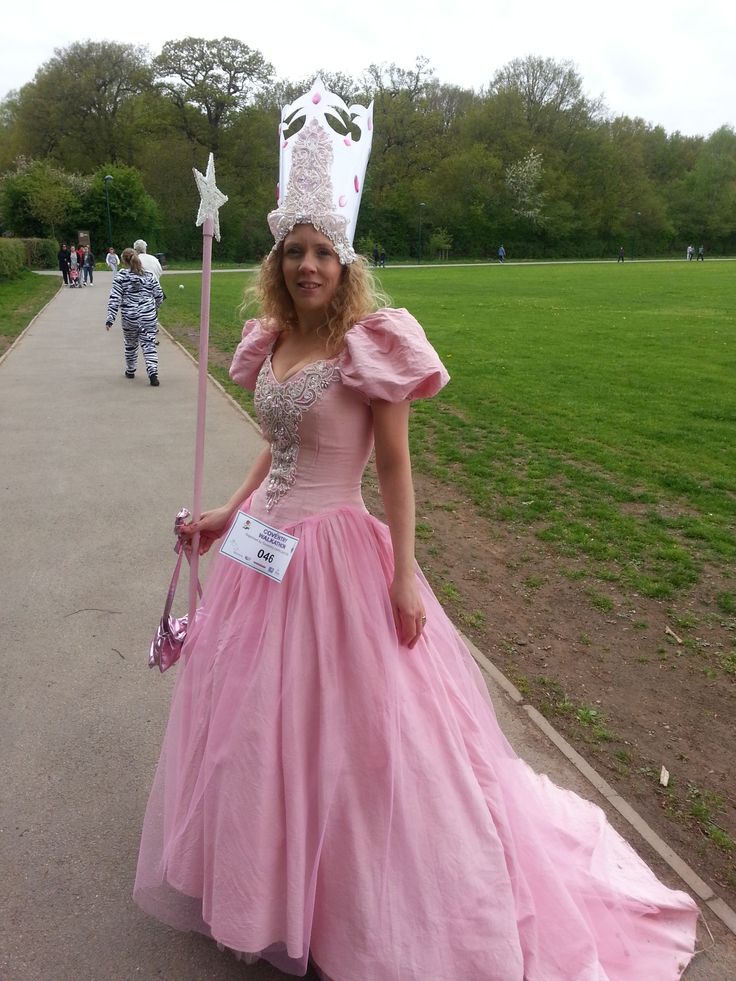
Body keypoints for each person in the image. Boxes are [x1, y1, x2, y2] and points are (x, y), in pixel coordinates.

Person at [133, 79, 698, 980]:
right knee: (251, 728)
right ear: (277, 260)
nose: (308, 266)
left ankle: (360, 909)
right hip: (261, 557)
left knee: (352, 745)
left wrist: (403, 572)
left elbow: (393, 468)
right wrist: (224, 517)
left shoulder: (371, 345)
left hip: (338, 560)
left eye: (322, 252)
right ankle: (261, 884)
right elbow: (270, 450)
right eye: (294, 251)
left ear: (345, 261)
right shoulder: (269, 342)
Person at [104, 247, 163, 385]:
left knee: (130, 344)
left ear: (124, 261)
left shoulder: (121, 277)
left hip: (129, 317)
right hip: (148, 316)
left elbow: (115, 298)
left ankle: (131, 370)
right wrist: (154, 308)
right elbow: (159, 295)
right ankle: (153, 373)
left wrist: (110, 319)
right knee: (149, 345)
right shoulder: (149, 276)